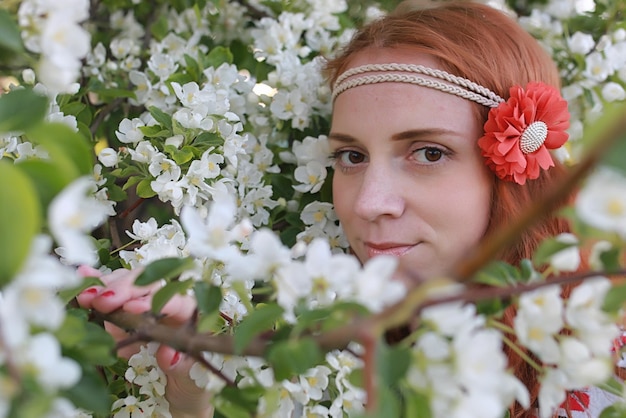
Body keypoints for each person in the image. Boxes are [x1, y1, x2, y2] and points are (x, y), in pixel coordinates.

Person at [77, 1, 618, 417]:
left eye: (429, 152)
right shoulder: (322, 343)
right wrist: (189, 387)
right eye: (351, 156)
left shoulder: (600, 364)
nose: (368, 203)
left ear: (516, 170)